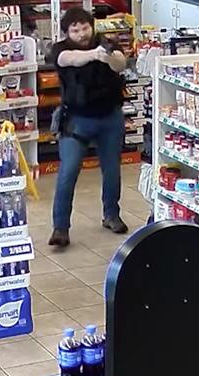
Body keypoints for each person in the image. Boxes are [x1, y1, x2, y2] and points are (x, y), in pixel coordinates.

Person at [47, 8, 128, 249]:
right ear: (67, 32)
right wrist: (94, 54)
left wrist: (110, 57)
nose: (81, 33)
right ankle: (60, 228)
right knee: (68, 172)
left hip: (109, 118)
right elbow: (68, 59)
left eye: (85, 28)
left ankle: (111, 215)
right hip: (76, 121)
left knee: (112, 170)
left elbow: (121, 64)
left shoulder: (107, 43)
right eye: (75, 30)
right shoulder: (60, 49)